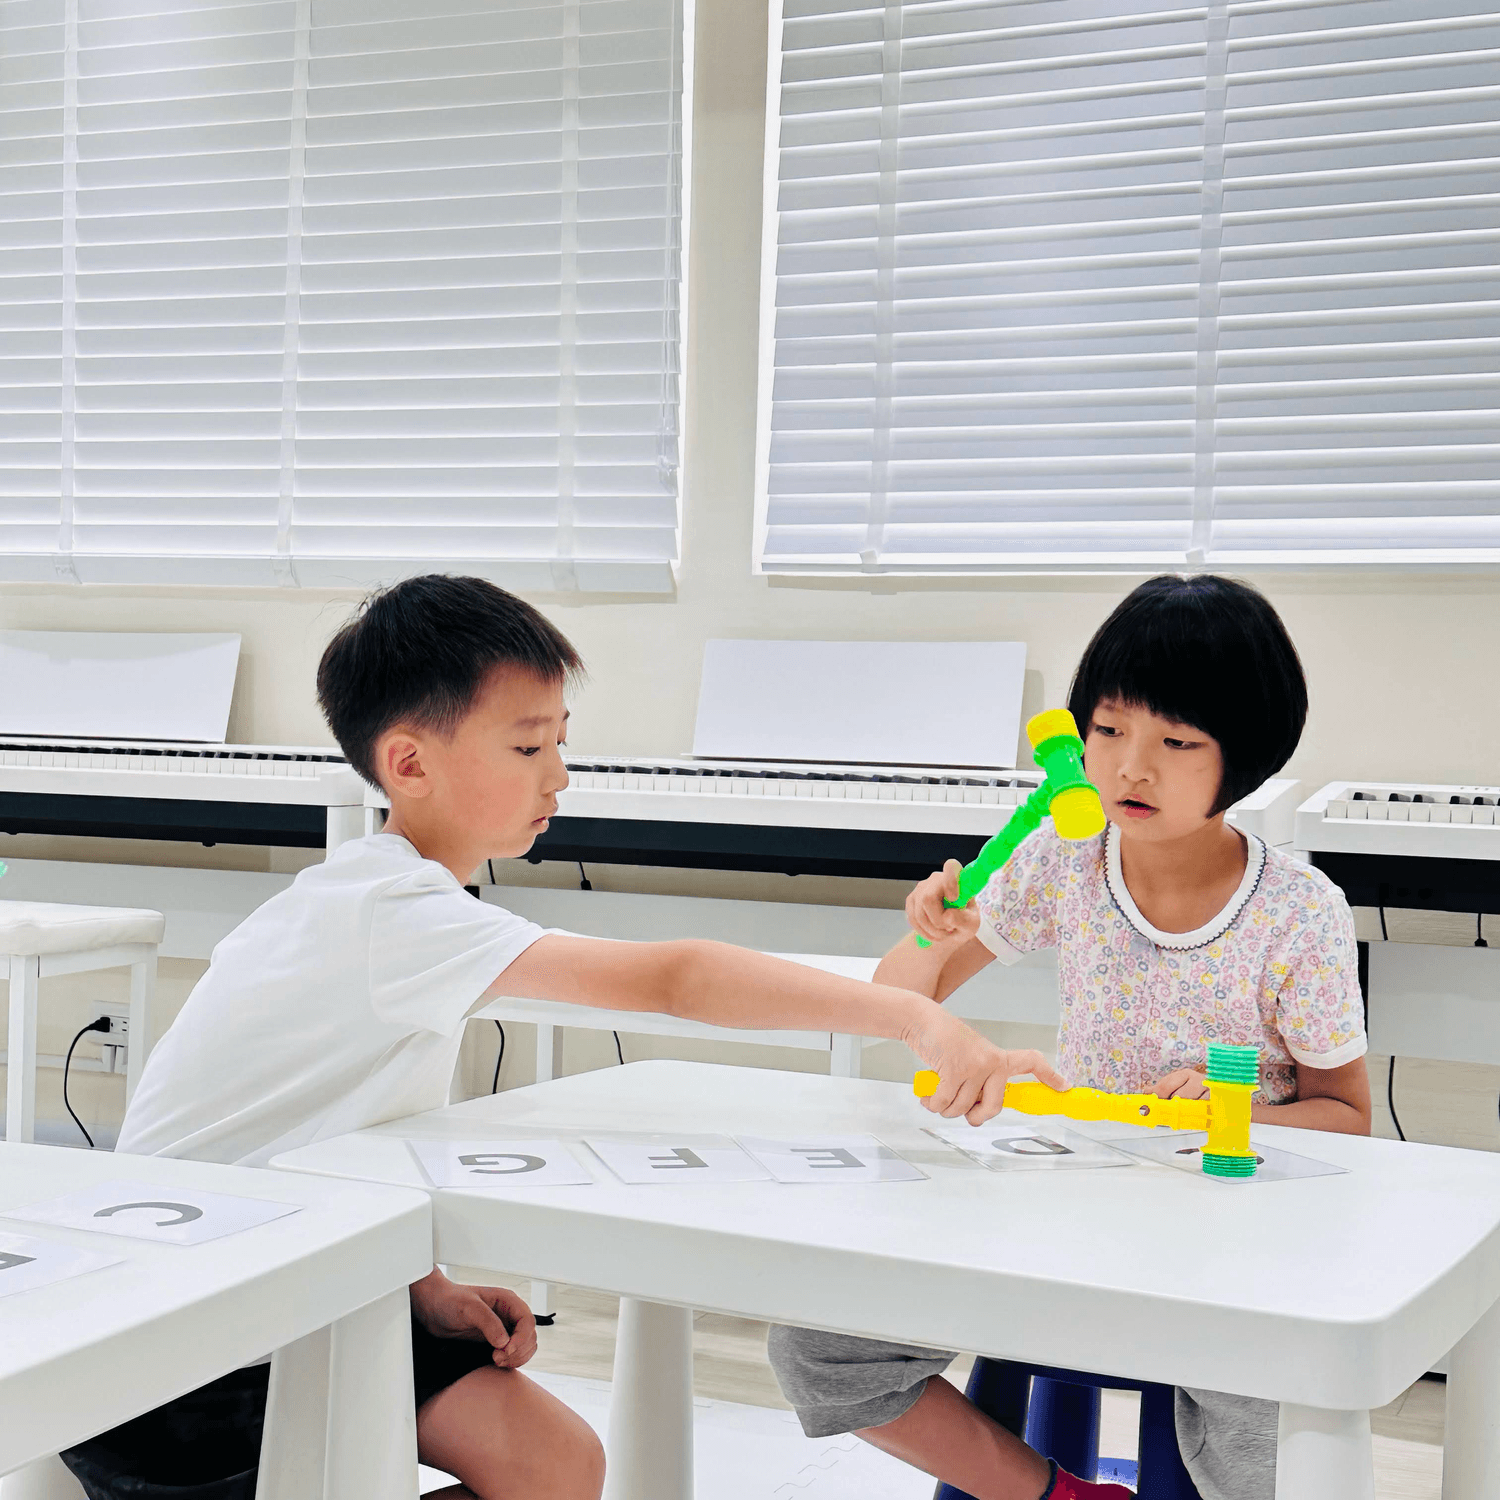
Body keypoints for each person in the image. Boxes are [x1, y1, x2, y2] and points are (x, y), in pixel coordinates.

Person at [72, 573, 1060, 1500]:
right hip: (182, 1346)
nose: (561, 774)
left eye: (559, 741)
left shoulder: (395, 902)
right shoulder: (387, 911)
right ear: (409, 764)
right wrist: (915, 1016)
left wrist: (426, 1290)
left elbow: (320, 1126)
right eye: (527, 748)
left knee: (559, 1460)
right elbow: (675, 980)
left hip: (298, 1289)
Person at [767, 574, 1371, 1500]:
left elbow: (1348, 1117)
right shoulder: (1066, 855)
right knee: (818, 1345)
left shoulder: (1299, 912)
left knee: (1270, 1425)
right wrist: (935, 933)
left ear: (1243, 756)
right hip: (1069, 1213)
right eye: (1109, 730)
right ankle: (1055, 1495)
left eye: (1176, 742)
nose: (1130, 768)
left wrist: (1228, 1115)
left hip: (1231, 1240)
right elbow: (893, 1002)